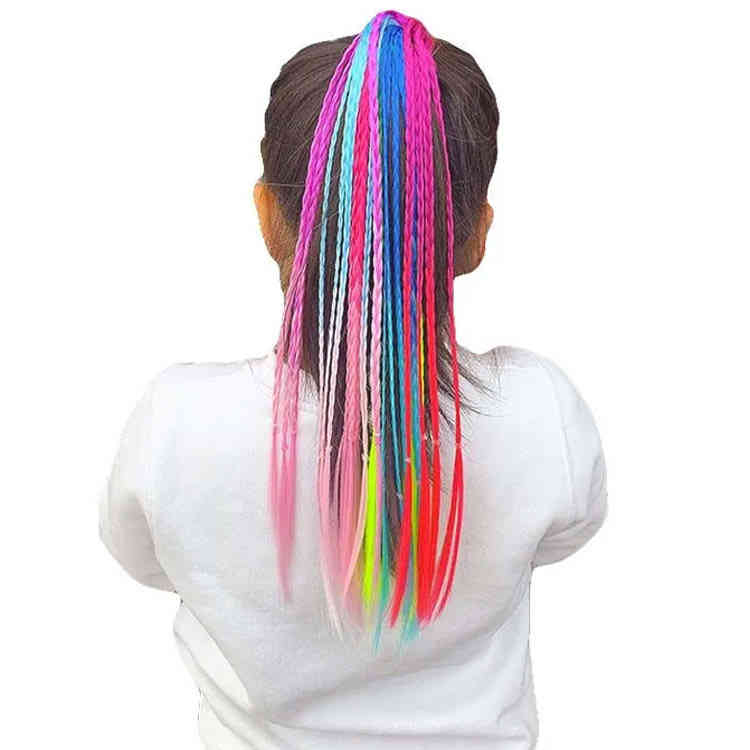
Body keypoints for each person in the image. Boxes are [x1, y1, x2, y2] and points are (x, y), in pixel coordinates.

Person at [100, 11, 607, 749]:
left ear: (268, 217)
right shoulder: (539, 412)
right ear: (475, 236)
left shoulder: (175, 426)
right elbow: (566, 534)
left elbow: (145, 558)